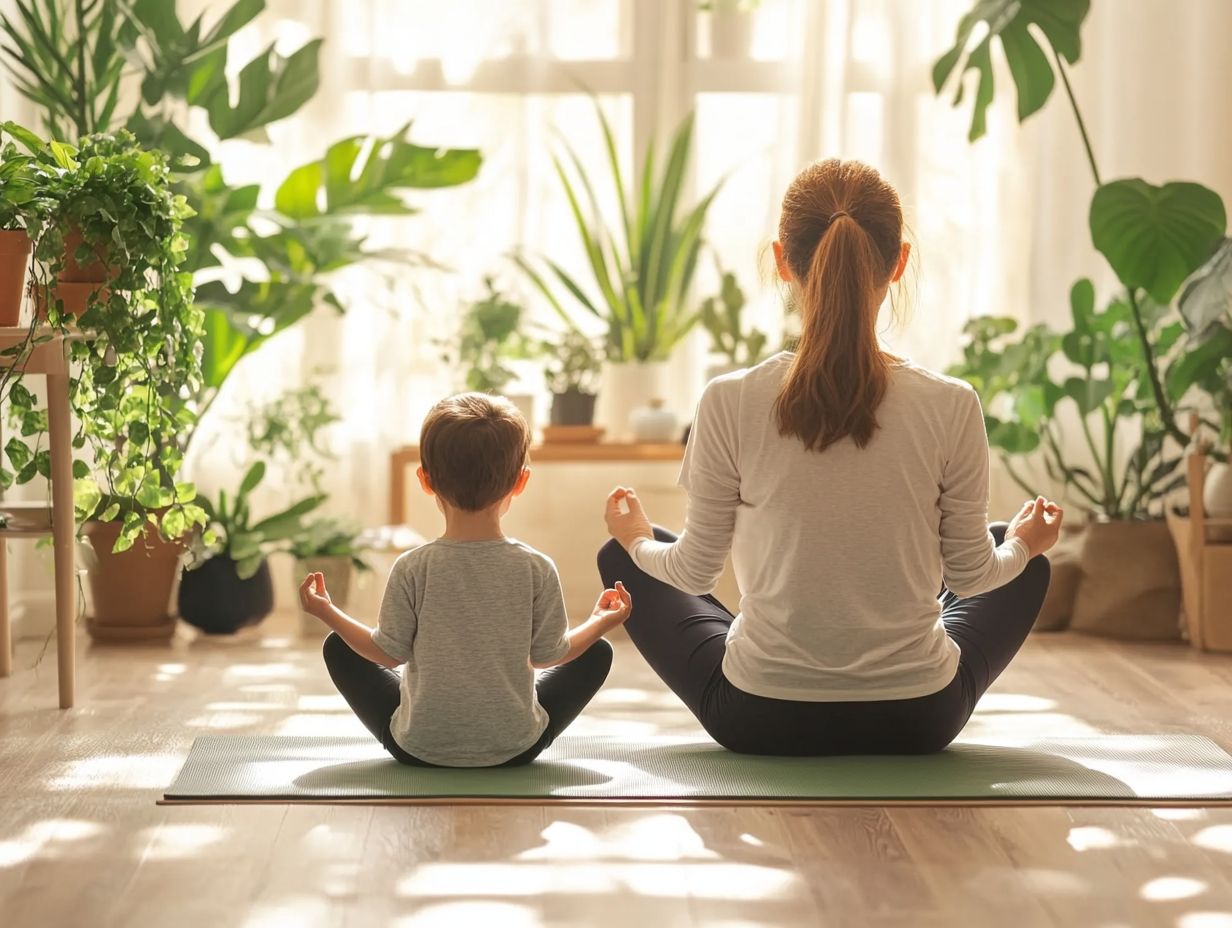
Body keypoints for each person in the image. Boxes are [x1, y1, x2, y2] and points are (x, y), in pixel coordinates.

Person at [599, 158, 1061, 756]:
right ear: (898, 263)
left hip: (758, 718)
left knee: (619, 557)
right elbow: (973, 577)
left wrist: (635, 540)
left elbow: (692, 574)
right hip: (918, 719)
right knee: (1020, 557)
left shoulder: (728, 399)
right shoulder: (951, 403)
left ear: (783, 261)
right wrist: (1025, 546)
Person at [303, 392, 632, 767]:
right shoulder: (537, 568)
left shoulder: (412, 566)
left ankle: (427, 726)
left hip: (417, 751)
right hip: (516, 750)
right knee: (598, 652)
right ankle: (509, 724)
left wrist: (328, 611)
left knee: (339, 645)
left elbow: (386, 653)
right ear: (520, 481)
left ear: (425, 480)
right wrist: (600, 623)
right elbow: (550, 656)